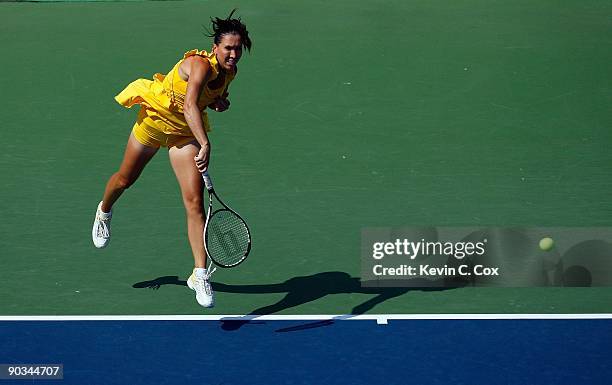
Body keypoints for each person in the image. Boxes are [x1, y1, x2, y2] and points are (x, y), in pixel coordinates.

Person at [91, 10, 252, 308]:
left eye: (237, 48)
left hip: (182, 135)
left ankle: (199, 274)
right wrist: (205, 142)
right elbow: (190, 104)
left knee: (195, 202)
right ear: (215, 48)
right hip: (155, 121)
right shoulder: (199, 65)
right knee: (125, 179)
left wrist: (218, 101)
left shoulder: (230, 73)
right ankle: (104, 210)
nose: (233, 53)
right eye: (228, 48)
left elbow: (204, 100)